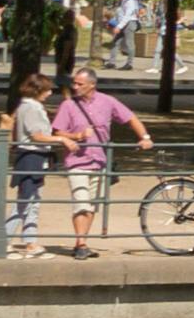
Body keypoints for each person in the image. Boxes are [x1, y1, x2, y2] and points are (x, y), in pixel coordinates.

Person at [41, 66, 145, 258]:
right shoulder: (68, 105)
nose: (75, 87)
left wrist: (144, 137)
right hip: (77, 162)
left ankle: (82, 243)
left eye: (79, 84)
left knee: (92, 206)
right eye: (74, 83)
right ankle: (81, 244)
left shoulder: (107, 101)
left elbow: (130, 118)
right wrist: (76, 135)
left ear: (92, 85)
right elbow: (57, 131)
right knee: (81, 203)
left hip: (100, 161)